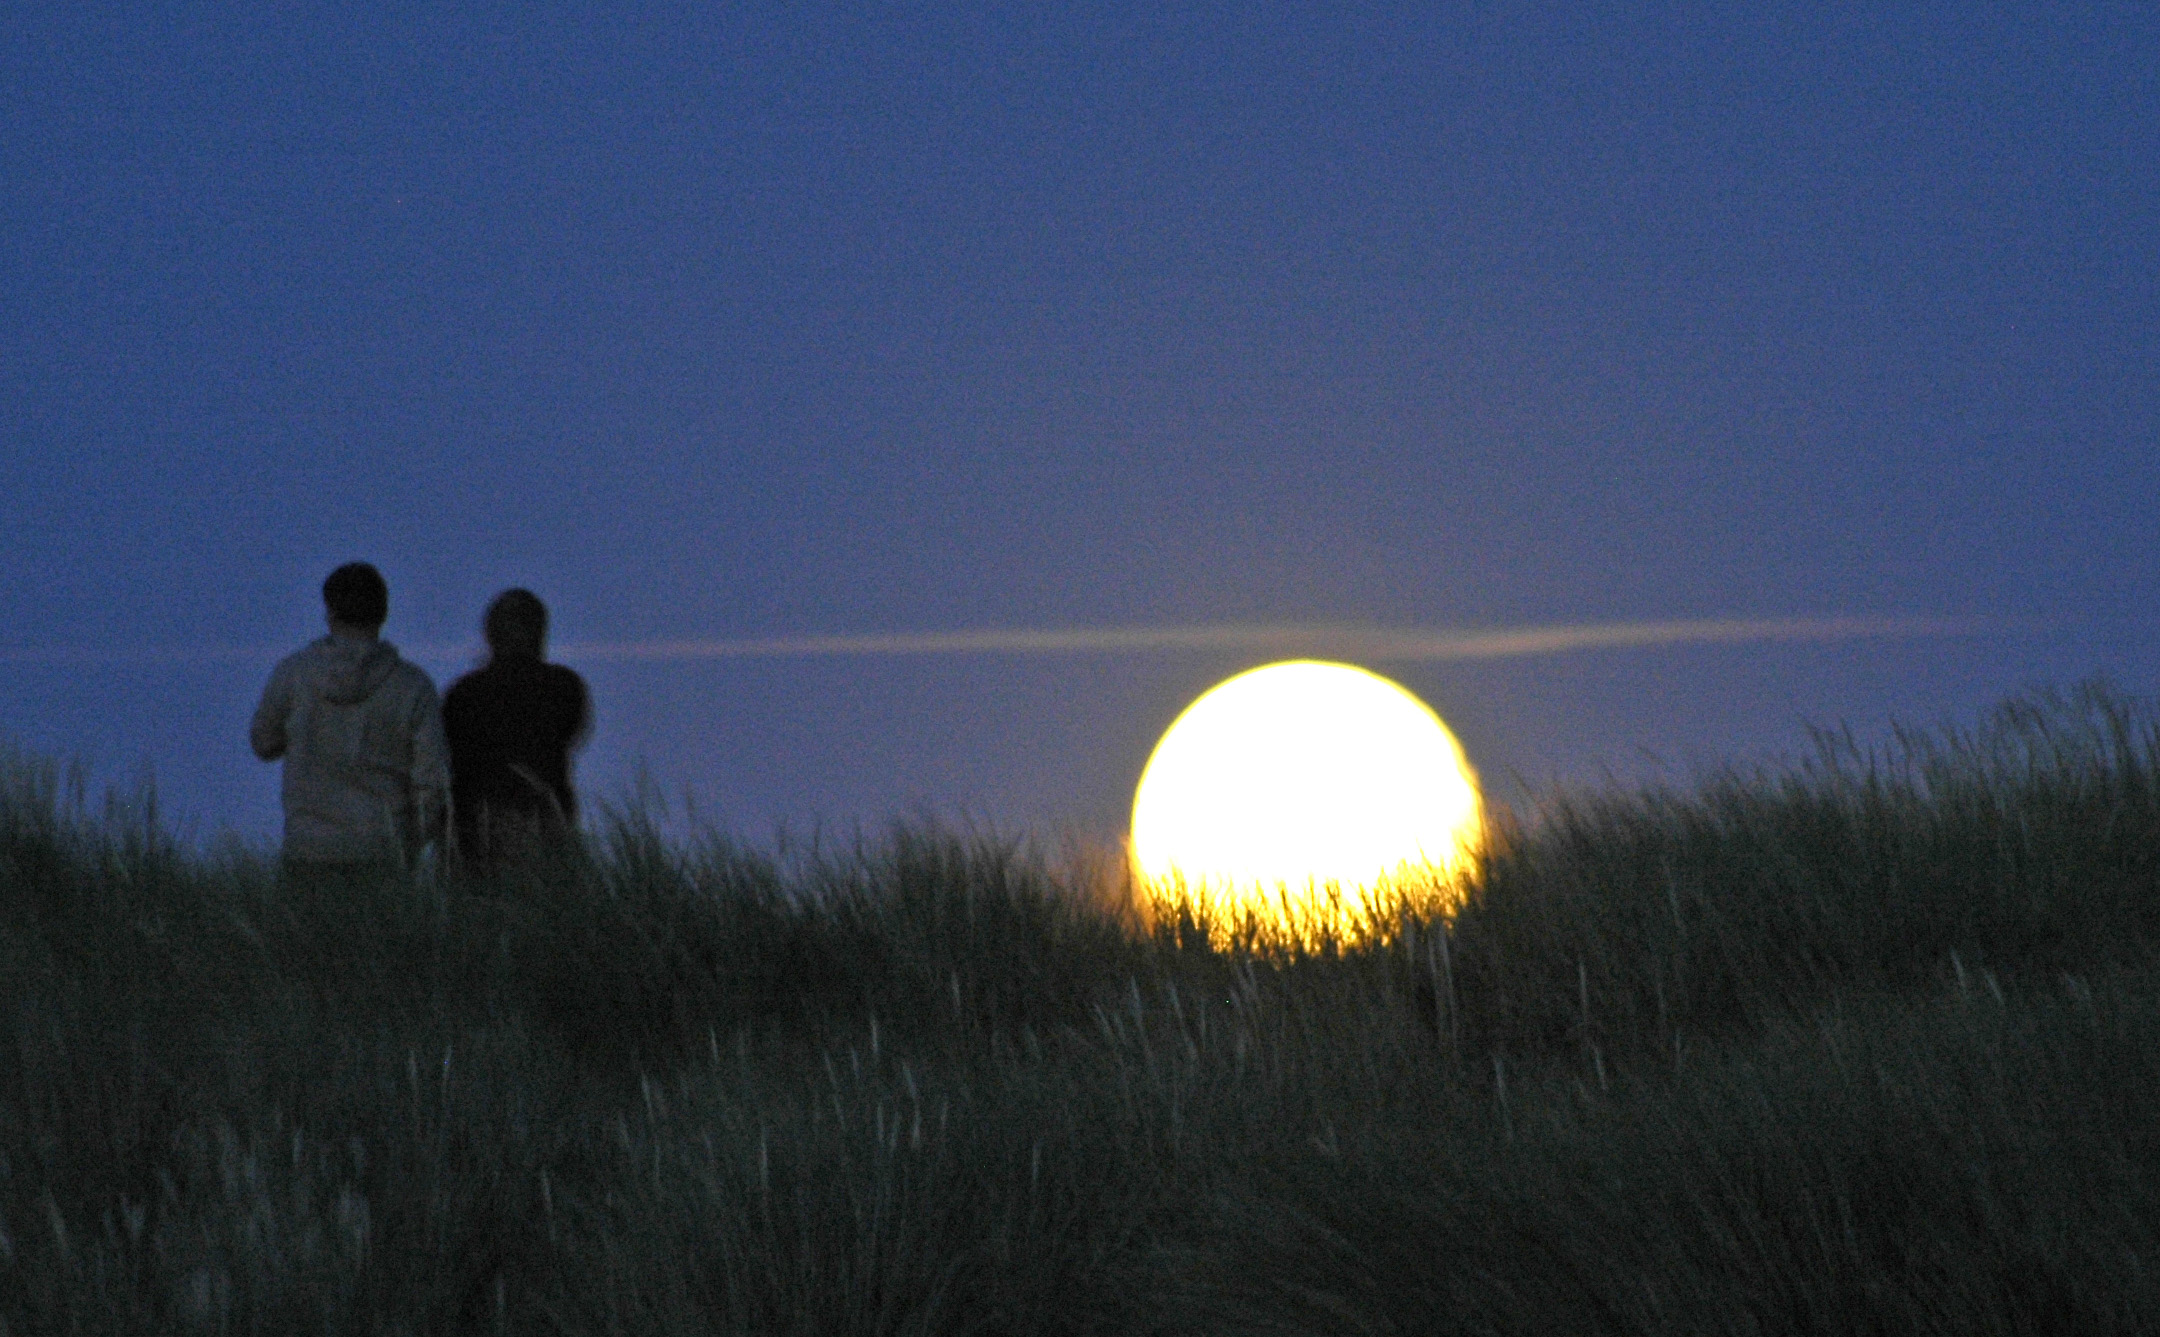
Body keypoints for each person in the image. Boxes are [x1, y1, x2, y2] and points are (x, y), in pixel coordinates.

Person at [250, 562, 449, 873]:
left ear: (330, 612)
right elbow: (433, 780)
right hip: (384, 854)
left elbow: (263, 743)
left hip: (307, 851)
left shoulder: (293, 674)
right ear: (383, 612)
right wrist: (412, 843)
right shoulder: (413, 686)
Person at [441, 588, 590, 875]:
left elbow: (450, 754)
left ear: (490, 635)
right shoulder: (565, 687)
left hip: (475, 838)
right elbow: (574, 733)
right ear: (540, 634)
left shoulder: (463, 694)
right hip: (548, 833)